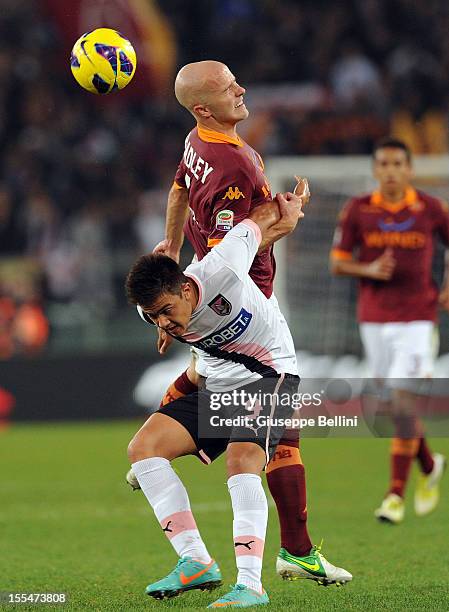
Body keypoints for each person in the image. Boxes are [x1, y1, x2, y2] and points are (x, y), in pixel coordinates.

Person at [128, 59, 327, 580]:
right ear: (201, 107)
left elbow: (178, 191)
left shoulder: (197, 140)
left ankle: (287, 558)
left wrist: (170, 251)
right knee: (266, 431)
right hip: (237, 300)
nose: (241, 88)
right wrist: (288, 220)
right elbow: (231, 259)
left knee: (236, 407)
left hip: (206, 297)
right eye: (227, 86)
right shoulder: (237, 166)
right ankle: (291, 555)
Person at [126, 194, 352, 608]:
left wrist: (290, 205)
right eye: (152, 315)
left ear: (185, 288)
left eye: (164, 311)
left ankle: (251, 584)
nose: (161, 321)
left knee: (242, 457)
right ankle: (195, 562)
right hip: (217, 384)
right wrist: (150, 465)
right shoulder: (156, 310)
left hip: (270, 377)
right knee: (142, 448)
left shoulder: (224, 264)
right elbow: (193, 360)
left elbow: (261, 218)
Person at [330, 137, 448, 524]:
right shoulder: (358, 210)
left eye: (399, 163)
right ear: (375, 169)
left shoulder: (430, 208)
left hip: (418, 317)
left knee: (401, 402)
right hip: (374, 319)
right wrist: (369, 269)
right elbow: (338, 262)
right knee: (391, 408)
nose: (392, 170)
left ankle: (395, 494)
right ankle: (430, 465)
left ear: (410, 169)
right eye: (384, 164)